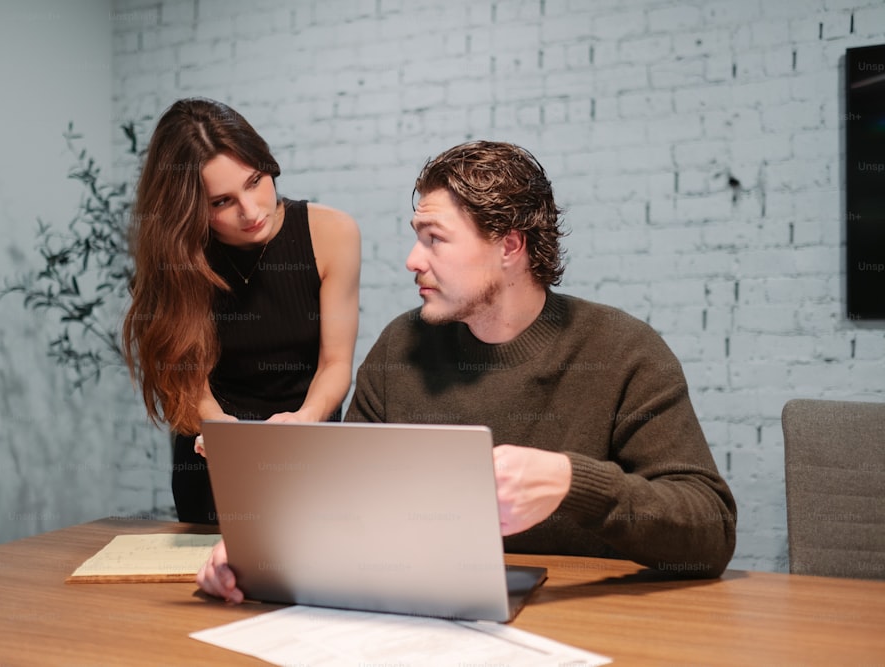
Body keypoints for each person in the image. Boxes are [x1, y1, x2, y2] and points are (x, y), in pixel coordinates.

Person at [197, 140, 736, 600]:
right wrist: (264, 547)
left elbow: (710, 530)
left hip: (586, 624)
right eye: (417, 235)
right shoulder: (400, 348)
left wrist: (575, 483)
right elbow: (351, 512)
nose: (412, 258)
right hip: (429, 616)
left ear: (509, 246)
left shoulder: (622, 350)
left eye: (435, 238)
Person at [123, 98, 361, 525]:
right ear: (189, 209)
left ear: (267, 163)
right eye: (221, 202)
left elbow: (336, 364)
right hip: (211, 456)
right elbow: (184, 376)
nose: (251, 212)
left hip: (308, 451)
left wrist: (304, 420)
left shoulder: (332, 233)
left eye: (255, 181)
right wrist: (219, 429)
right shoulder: (178, 256)